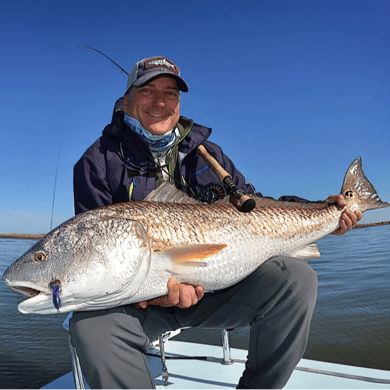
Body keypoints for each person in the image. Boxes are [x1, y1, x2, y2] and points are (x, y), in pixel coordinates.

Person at [70, 56, 362, 389]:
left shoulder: (209, 154)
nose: (161, 102)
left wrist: (324, 210)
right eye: (148, 90)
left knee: (297, 279)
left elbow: (254, 205)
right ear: (127, 101)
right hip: (137, 303)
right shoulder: (96, 163)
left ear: (179, 103)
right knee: (90, 327)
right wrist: (152, 296)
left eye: (171, 93)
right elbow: (92, 249)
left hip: (223, 284)